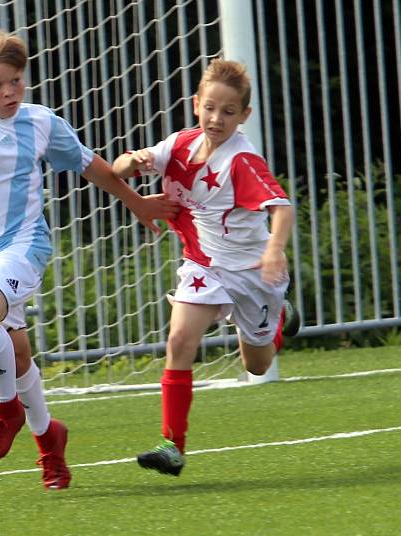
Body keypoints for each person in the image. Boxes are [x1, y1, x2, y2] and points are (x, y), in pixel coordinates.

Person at [0, 29, 179, 489]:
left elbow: (92, 165)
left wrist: (138, 203)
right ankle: (49, 441)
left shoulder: (42, 122)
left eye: (16, 80)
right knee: (14, 350)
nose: (9, 91)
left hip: (23, 245)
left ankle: (4, 410)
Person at [111, 58, 299, 477]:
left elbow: (282, 208)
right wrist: (133, 161)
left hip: (253, 272)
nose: (217, 118)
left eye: (229, 112)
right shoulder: (178, 144)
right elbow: (118, 169)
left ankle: (279, 317)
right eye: (210, 108)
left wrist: (275, 249)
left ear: (244, 115)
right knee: (179, 340)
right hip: (202, 265)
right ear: (197, 104)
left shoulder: (242, 160)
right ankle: (172, 445)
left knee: (257, 365)